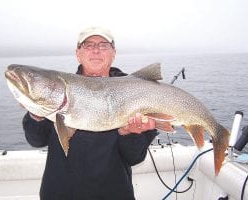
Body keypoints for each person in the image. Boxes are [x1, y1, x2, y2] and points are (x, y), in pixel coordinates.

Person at [22, 27, 159, 200]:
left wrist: (131, 134)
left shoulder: (140, 93)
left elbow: (134, 157)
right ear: (77, 53)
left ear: (113, 53)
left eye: (103, 45)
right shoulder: (58, 91)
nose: (95, 50)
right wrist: (36, 114)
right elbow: (36, 141)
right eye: (88, 45)